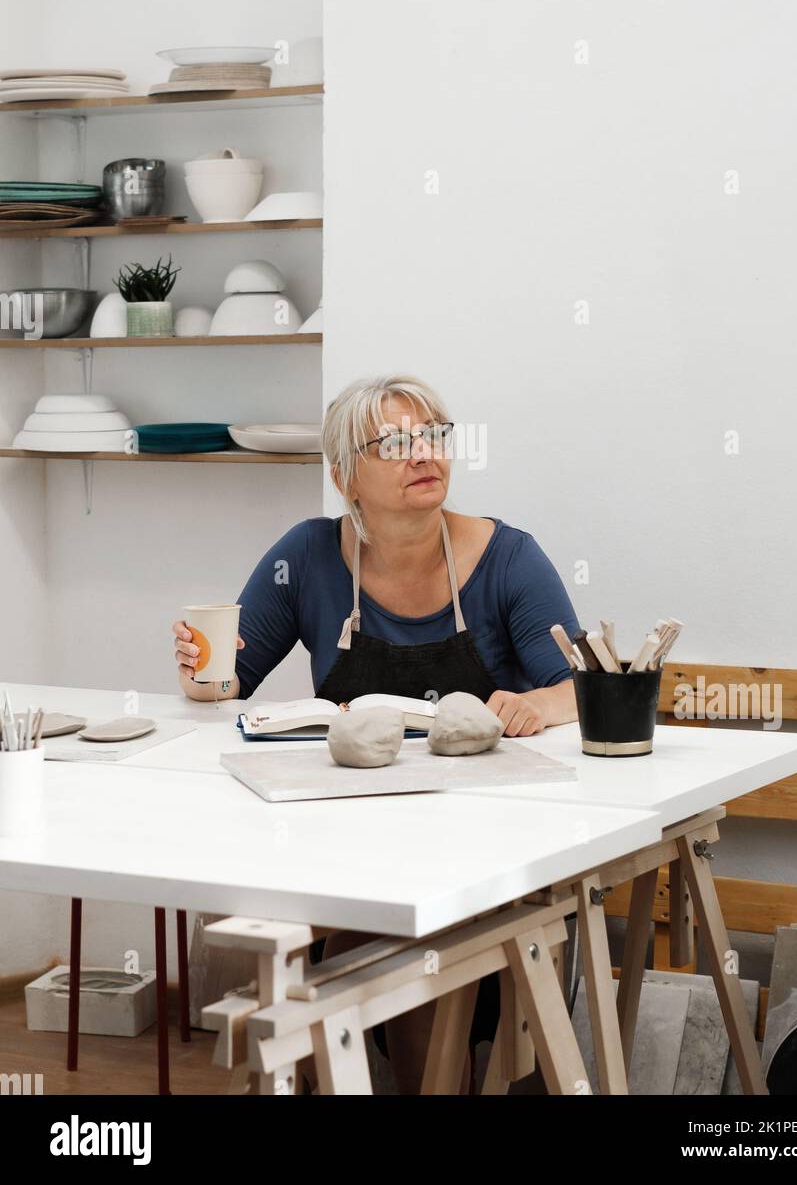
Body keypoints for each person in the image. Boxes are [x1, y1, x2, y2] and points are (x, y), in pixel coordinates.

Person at [173, 373, 579, 1092]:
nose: (422, 454)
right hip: (347, 834)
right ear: (343, 476)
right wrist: (200, 670)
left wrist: (536, 706)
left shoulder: (508, 559)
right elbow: (230, 681)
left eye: (432, 437)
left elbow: (581, 685)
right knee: (292, 926)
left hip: (485, 837)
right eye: (394, 442)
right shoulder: (307, 558)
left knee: (400, 936)